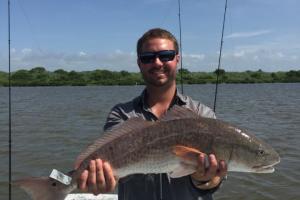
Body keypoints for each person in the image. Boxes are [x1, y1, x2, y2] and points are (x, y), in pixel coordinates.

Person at [77, 28, 227, 200]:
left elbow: (217, 179)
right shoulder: (121, 114)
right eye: (148, 58)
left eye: (166, 55)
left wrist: (205, 180)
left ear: (177, 59)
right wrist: (102, 179)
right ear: (139, 63)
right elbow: (110, 168)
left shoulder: (202, 114)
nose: (157, 63)